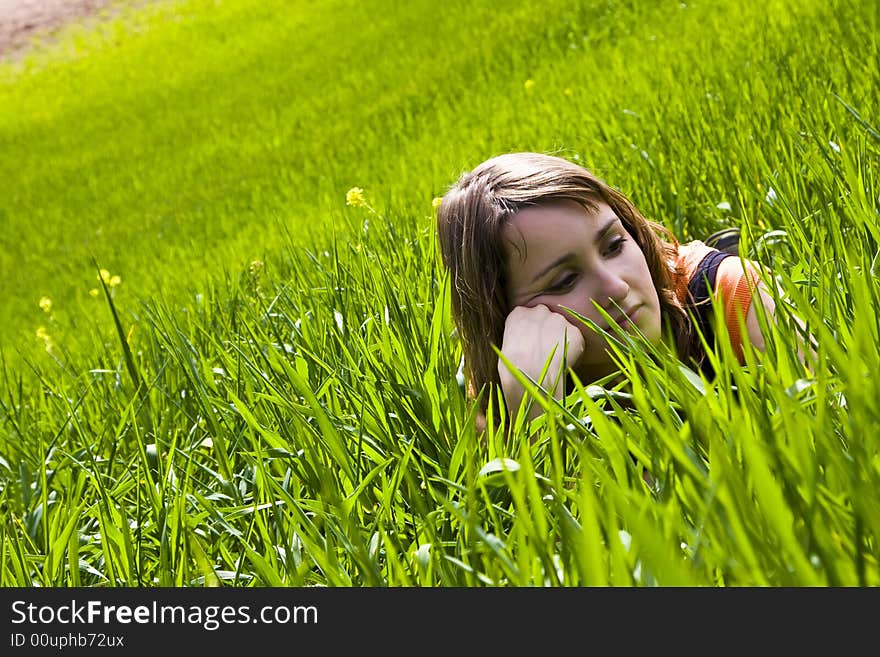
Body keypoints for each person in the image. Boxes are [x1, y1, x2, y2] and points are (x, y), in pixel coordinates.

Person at [436, 152, 783, 424]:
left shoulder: (730, 294)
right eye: (564, 281)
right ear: (506, 314)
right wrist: (536, 408)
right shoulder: (501, 395)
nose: (615, 287)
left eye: (614, 245)